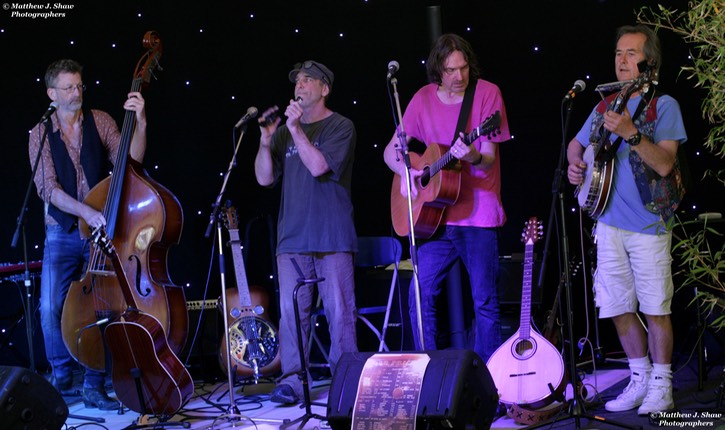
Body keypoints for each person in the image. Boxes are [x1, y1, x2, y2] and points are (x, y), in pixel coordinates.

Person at [567, 25, 686, 415]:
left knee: (655, 309)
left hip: (649, 225)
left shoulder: (663, 105)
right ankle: (638, 380)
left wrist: (633, 134)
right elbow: (577, 143)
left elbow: (666, 164)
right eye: (618, 52)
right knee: (617, 306)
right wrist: (574, 164)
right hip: (608, 223)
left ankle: (662, 386)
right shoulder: (605, 106)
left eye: (631, 53)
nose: (621, 60)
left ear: (649, 61)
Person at [383, 34, 511, 363]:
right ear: (438, 71)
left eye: (464, 68)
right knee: (419, 295)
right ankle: (429, 375)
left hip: (477, 214)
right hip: (433, 219)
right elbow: (390, 152)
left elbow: (488, 158)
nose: (459, 76)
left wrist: (470, 155)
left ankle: (489, 384)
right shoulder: (423, 98)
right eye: (451, 70)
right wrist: (408, 172)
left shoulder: (487, 94)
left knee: (484, 301)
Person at [29, 59, 147, 410]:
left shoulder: (103, 120)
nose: (76, 92)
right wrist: (86, 211)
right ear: (52, 93)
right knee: (51, 305)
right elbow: (47, 189)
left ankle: (94, 381)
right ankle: (62, 374)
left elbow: (131, 163)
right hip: (62, 231)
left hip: (102, 231)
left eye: (79, 85)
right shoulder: (39, 133)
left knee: (102, 306)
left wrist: (140, 122)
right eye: (68, 87)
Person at [254, 60, 358, 404]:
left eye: (308, 81)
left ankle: (345, 380)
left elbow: (318, 167)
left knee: (339, 313)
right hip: (292, 239)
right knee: (291, 312)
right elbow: (264, 179)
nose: (299, 86)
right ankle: (293, 382)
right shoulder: (284, 132)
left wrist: (296, 129)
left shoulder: (341, 126)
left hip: (331, 237)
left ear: (324, 89)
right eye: (297, 81)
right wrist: (267, 142)